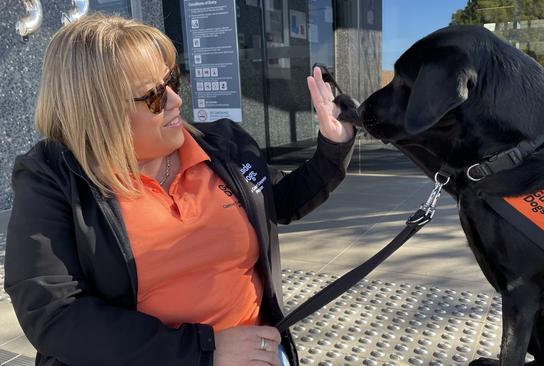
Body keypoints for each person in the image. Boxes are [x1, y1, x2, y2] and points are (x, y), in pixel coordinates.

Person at [4, 14, 355, 366]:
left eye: (171, 81)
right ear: (98, 111)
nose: (175, 101)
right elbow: (55, 313)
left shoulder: (223, 146)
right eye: (154, 96)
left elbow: (281, 199)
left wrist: (332, 145)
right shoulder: (52, 177)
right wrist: (203, 351)